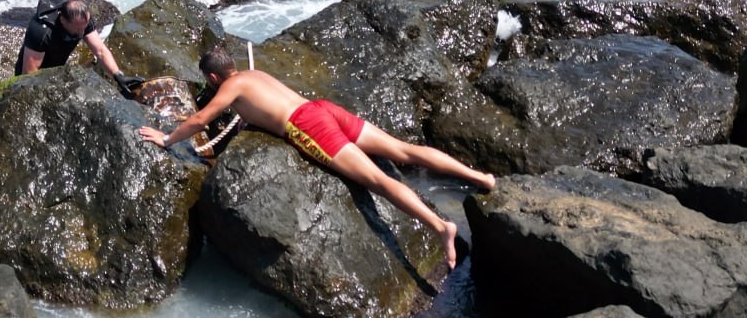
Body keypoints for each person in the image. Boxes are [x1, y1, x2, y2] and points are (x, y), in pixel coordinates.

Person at [138, 46, 495, 268]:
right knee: (404, 150)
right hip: (321, 108)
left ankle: (441, 227)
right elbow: (259, 106)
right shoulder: (254, 73)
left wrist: (167, 139)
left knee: (378, 181)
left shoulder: (230, 87)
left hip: (306, 125)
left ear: (214, 77)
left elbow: (201, 119)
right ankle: (480, 178)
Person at [14, 0, 142, 94]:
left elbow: (100, 50)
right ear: (63, 20)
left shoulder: (82, 20)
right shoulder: (42, 31)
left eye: (84, 28)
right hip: (31, 71)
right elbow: (29, 74)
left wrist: (118, 75)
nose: (82, 33)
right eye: (77, 30)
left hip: (58, 67)